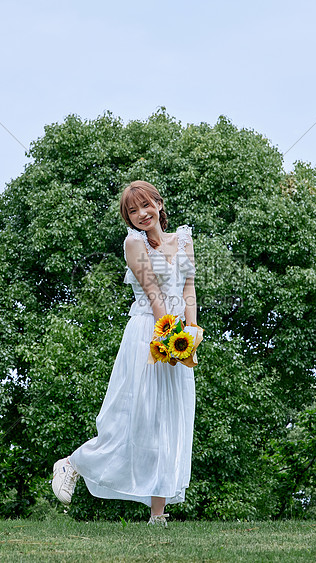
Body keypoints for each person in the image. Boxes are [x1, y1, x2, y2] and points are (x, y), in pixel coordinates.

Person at [51, 180, 200, 527]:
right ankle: (72, 463)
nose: (140, 214)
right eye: (132, 211)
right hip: (148, 331)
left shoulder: (184, 240)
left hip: (177, 335)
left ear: (159, 204)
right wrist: (168, 332)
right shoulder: (134, 243)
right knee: (134, 419)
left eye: (145, 205)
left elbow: (189, 286)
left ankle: (158, 514)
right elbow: (151, 291)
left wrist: (191, 333)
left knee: (168, 422)